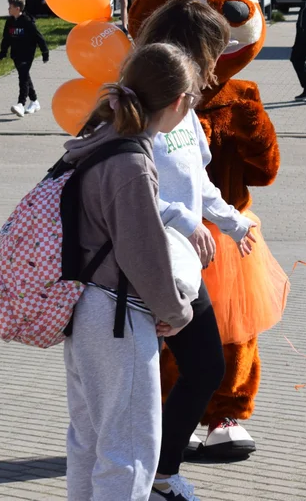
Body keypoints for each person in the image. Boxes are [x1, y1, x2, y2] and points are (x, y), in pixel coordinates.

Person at [133, 0, 260, 501]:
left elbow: (197, 180)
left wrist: (230, 221)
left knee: (203, 366)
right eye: (213, 52)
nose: (217, 66)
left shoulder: (184, 108)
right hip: (141, 264)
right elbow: (128, 186)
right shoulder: (138, 107)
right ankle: (150, 472)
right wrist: (185, 221)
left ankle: (160, 470)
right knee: (179, 370)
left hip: (179, 264)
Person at [61, 42, 200, 501]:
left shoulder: (99, 140)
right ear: (178, 102)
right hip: (116, 315)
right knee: (130, 451)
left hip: (83, 309)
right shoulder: (132, 162)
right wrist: (177, 311)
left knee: (91, 440)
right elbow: (143, 254)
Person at [0, 0, 49, 118]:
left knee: (22, 77)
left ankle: (21, 104)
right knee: (25, 77)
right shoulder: (9, 22)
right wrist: (3, 52)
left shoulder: (27, 21)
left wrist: (45, 52)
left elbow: (39, 37)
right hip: (16, 54)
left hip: (27, 54)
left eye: (10, 6)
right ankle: (35, 101)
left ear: (17, 8)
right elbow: (6, 38)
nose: (8, 9)